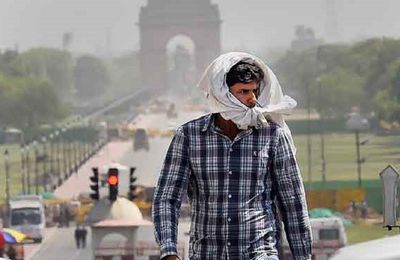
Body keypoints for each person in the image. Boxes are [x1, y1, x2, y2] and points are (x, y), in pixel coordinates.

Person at [152, 52, 312, 260]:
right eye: (243, 91)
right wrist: (169, 251)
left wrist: (304, 256)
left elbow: (292, 203)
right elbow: (167, 198)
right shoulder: (189, 137)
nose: (252, 100)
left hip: (260, 252)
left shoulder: (273, 136)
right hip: (208, 253)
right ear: (222, 93)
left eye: (255, 91)